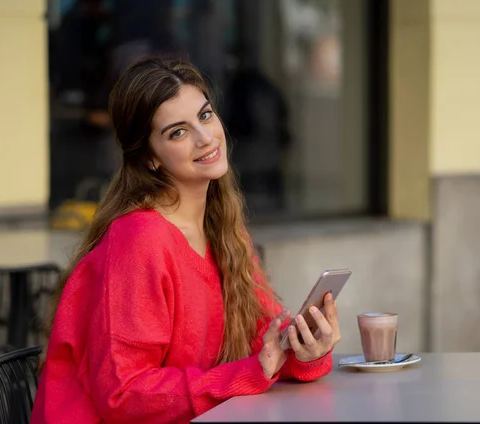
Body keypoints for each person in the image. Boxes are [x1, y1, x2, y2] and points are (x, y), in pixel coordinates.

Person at [31, 56, 341, 424]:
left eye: (205, 115)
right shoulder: (140, 239)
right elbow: (124, 395)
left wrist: (305, 351)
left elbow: (263, 341)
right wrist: (246, 374)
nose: (205, 137)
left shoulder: (222, 226)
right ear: (150, 159)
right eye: (177, 132)